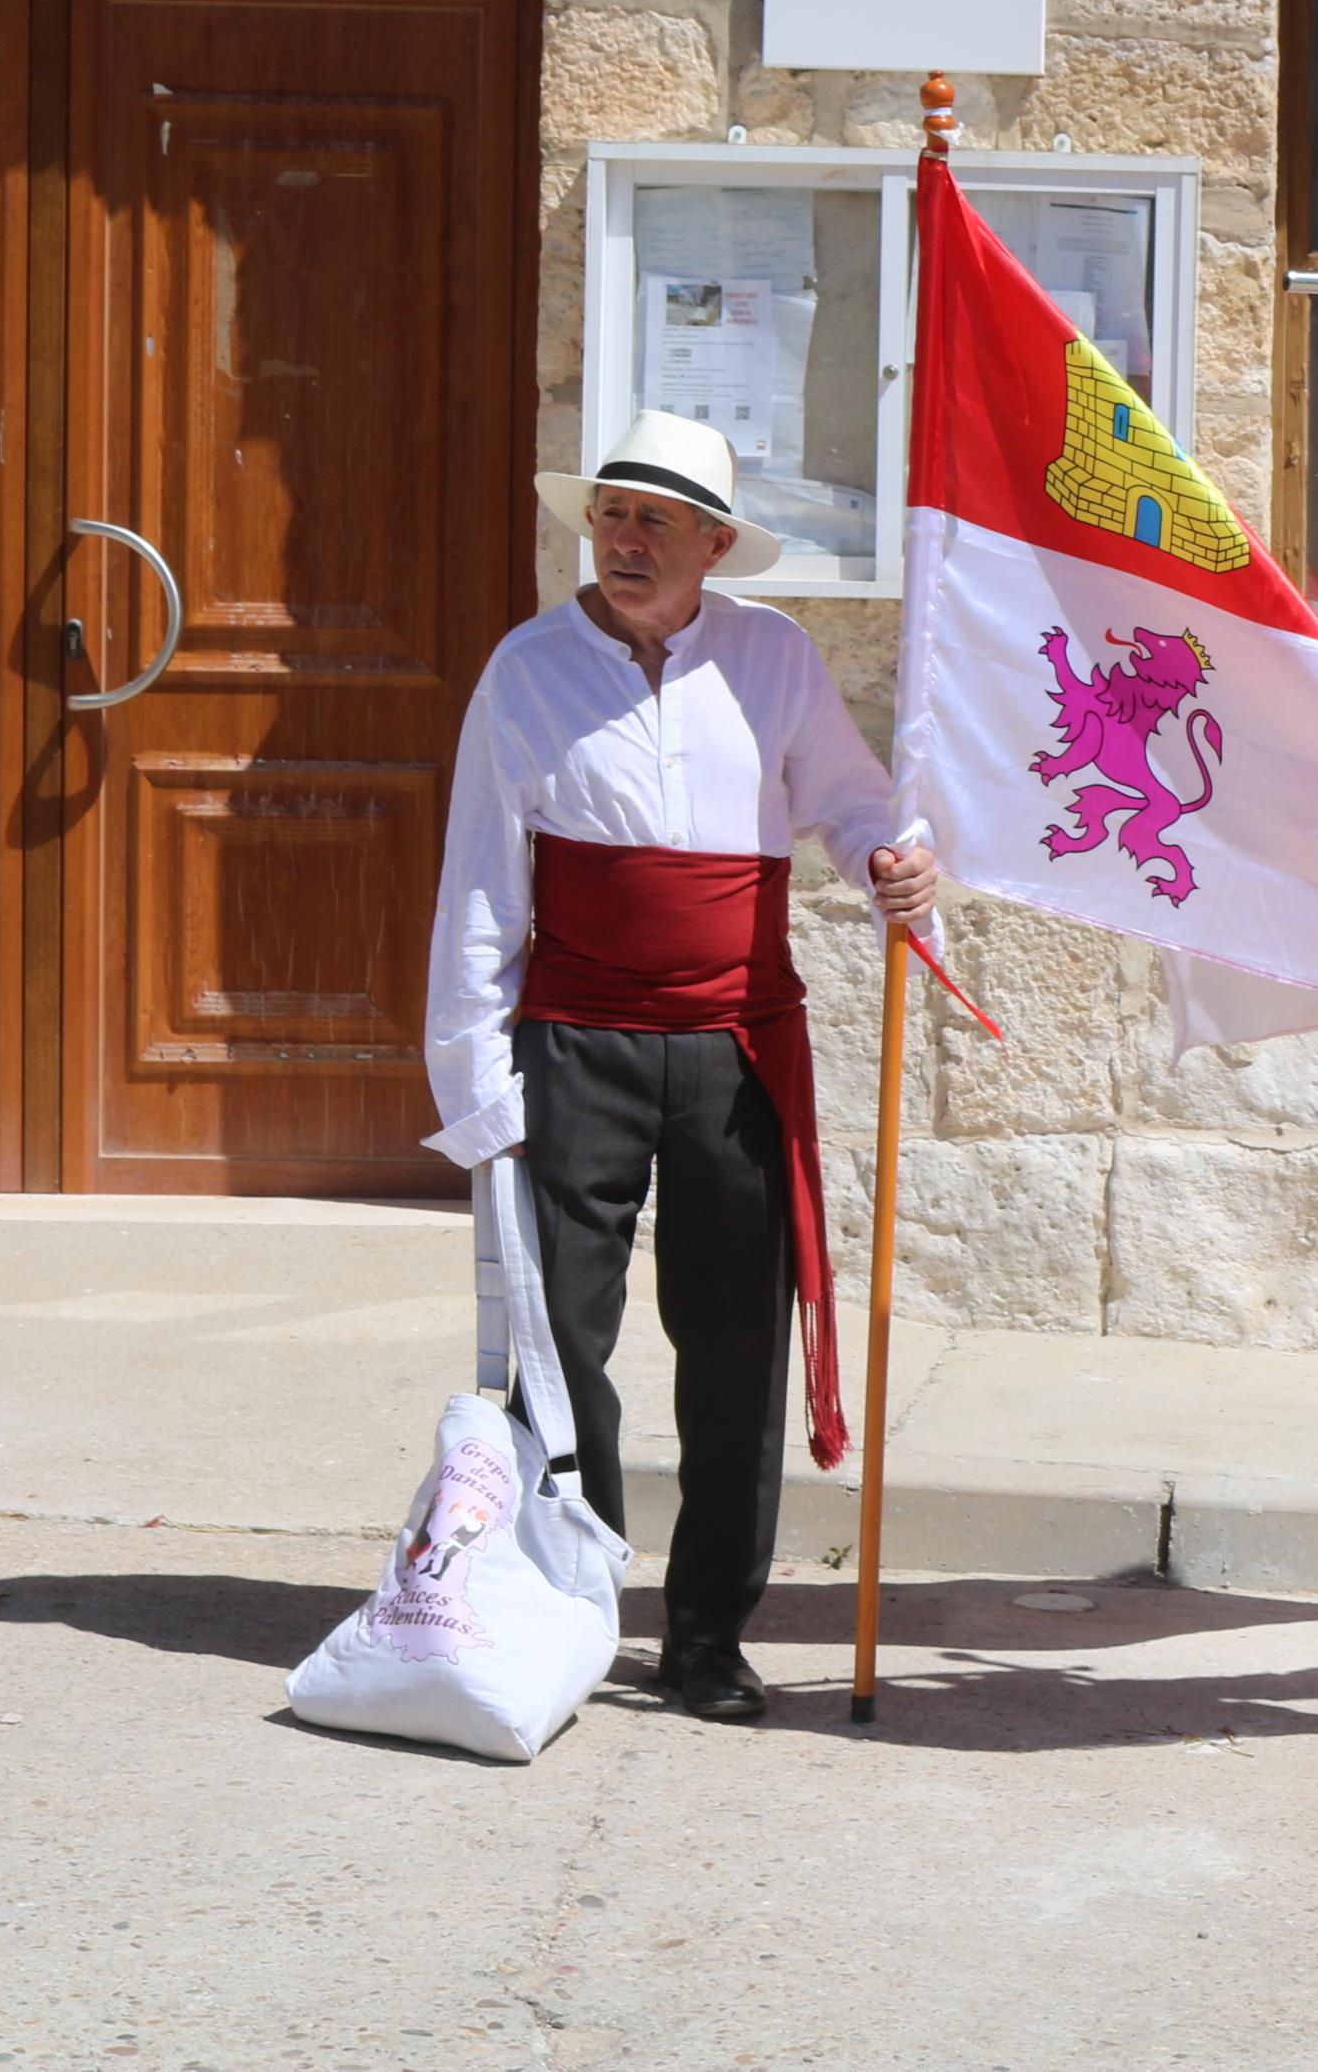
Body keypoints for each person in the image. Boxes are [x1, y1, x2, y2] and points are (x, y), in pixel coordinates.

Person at [422, 412, 941, 1724]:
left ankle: (708, 1630)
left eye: (655, 519)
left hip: (730, 1048)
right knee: (559, 1341)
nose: (624, 538)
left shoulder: (774, 657)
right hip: (574, 1046)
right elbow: (483, 884)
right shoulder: (526, 668)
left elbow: (850, 802)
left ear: (715, 541)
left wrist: (896, 858)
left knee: (729, 1347)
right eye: (608, 513)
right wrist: (475, 1080)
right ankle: (569, 1601)